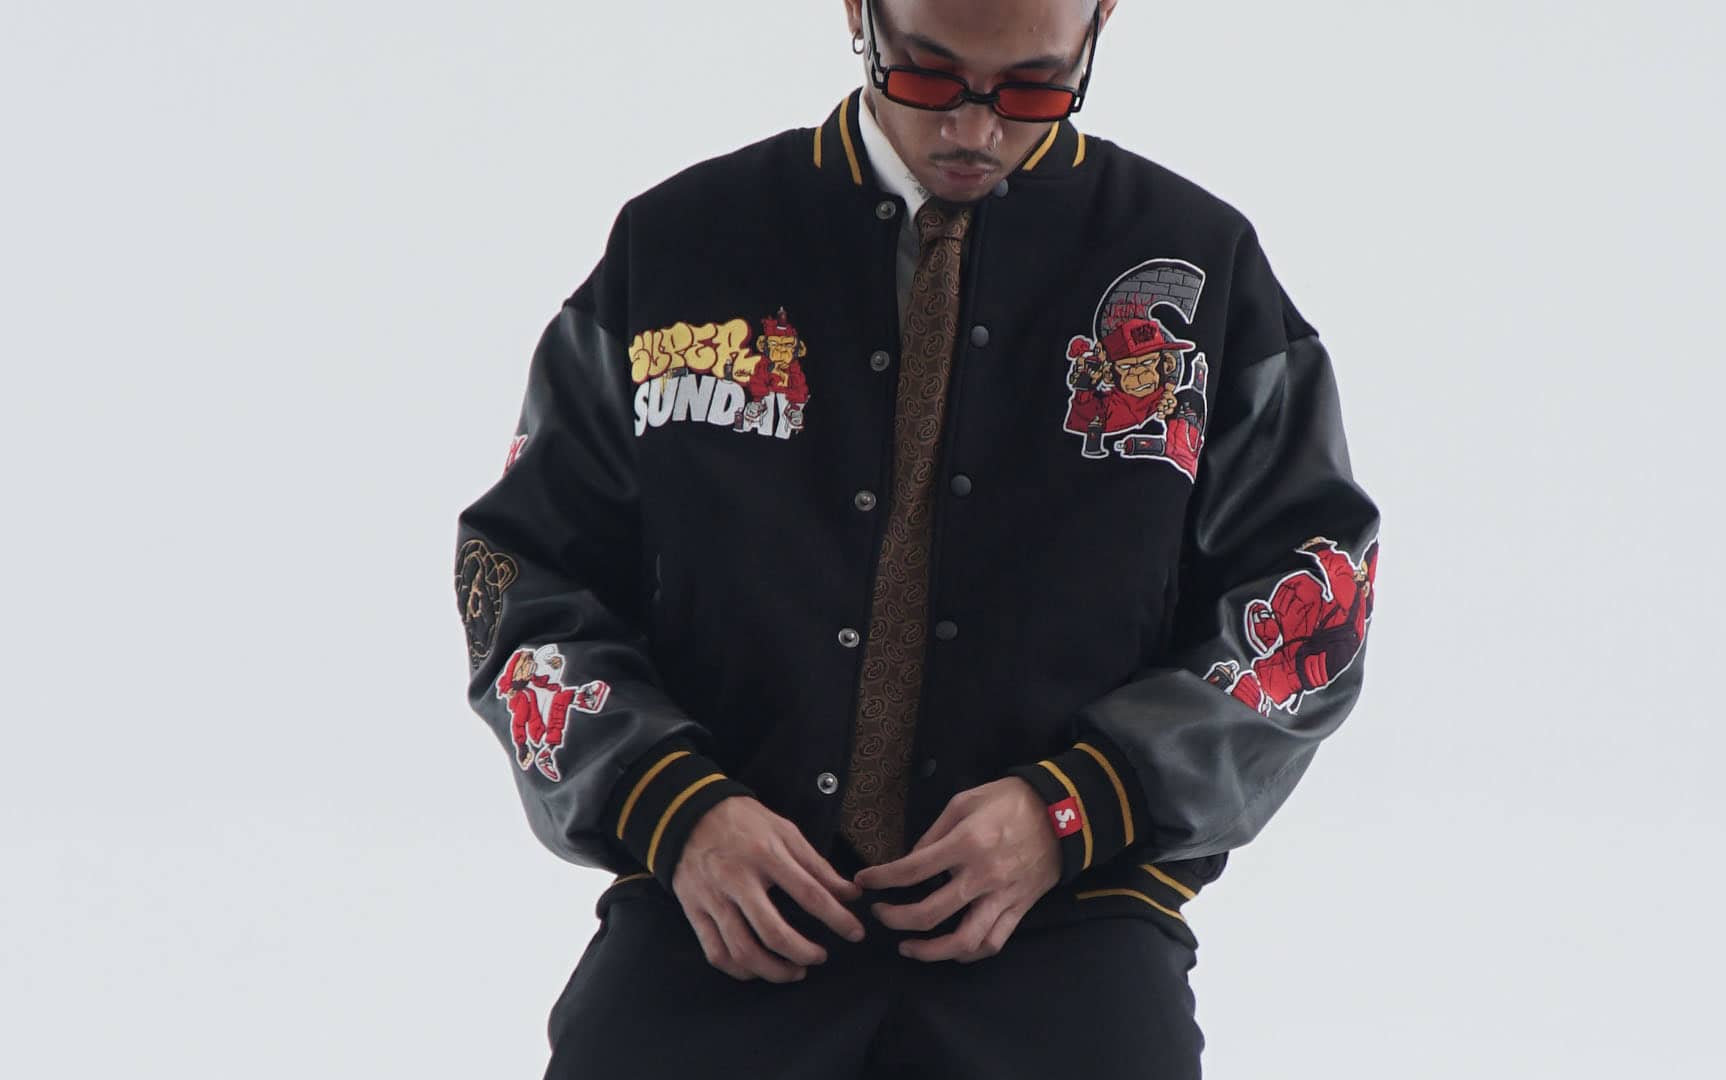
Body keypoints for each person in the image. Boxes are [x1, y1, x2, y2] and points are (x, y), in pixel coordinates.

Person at [451, 1, 1383, 1076]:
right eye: (930, 77)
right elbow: (519, 574)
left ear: (1100, 22)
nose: (974, 131)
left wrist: (1081, 804)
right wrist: (671, 804)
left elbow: (1315, 591)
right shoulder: (680, 246)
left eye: (1033, 87)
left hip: (1070, 909)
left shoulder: (1201, 265)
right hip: (719, 902)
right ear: (860, 13)